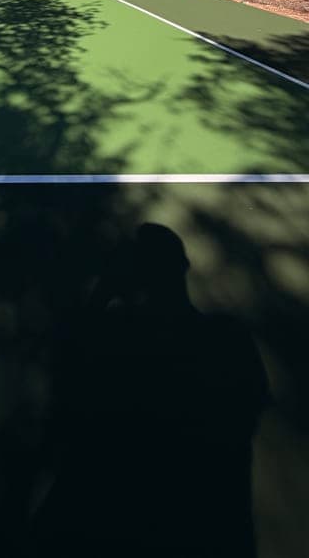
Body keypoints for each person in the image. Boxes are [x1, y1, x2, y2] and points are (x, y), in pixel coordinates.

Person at [39, 224, 269, 557]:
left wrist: (104, 293)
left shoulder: (216, 338)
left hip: (166, 525)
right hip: (176, 526)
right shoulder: (219, 337)